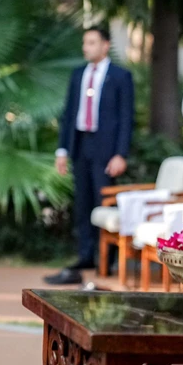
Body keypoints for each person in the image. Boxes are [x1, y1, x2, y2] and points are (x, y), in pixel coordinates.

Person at [46, 26, 134, 285]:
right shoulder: (78, 75)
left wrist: (120, 153)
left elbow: (127, 118)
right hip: (81, 145)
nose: (86, 47)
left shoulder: (120, 76)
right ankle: (86, 256)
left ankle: (110, 259)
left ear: (105, 45)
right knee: (83, 203)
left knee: (103, 200)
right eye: (85, 43)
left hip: (106, 149)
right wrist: (62, 150)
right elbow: (69, 114)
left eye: (92, 42)